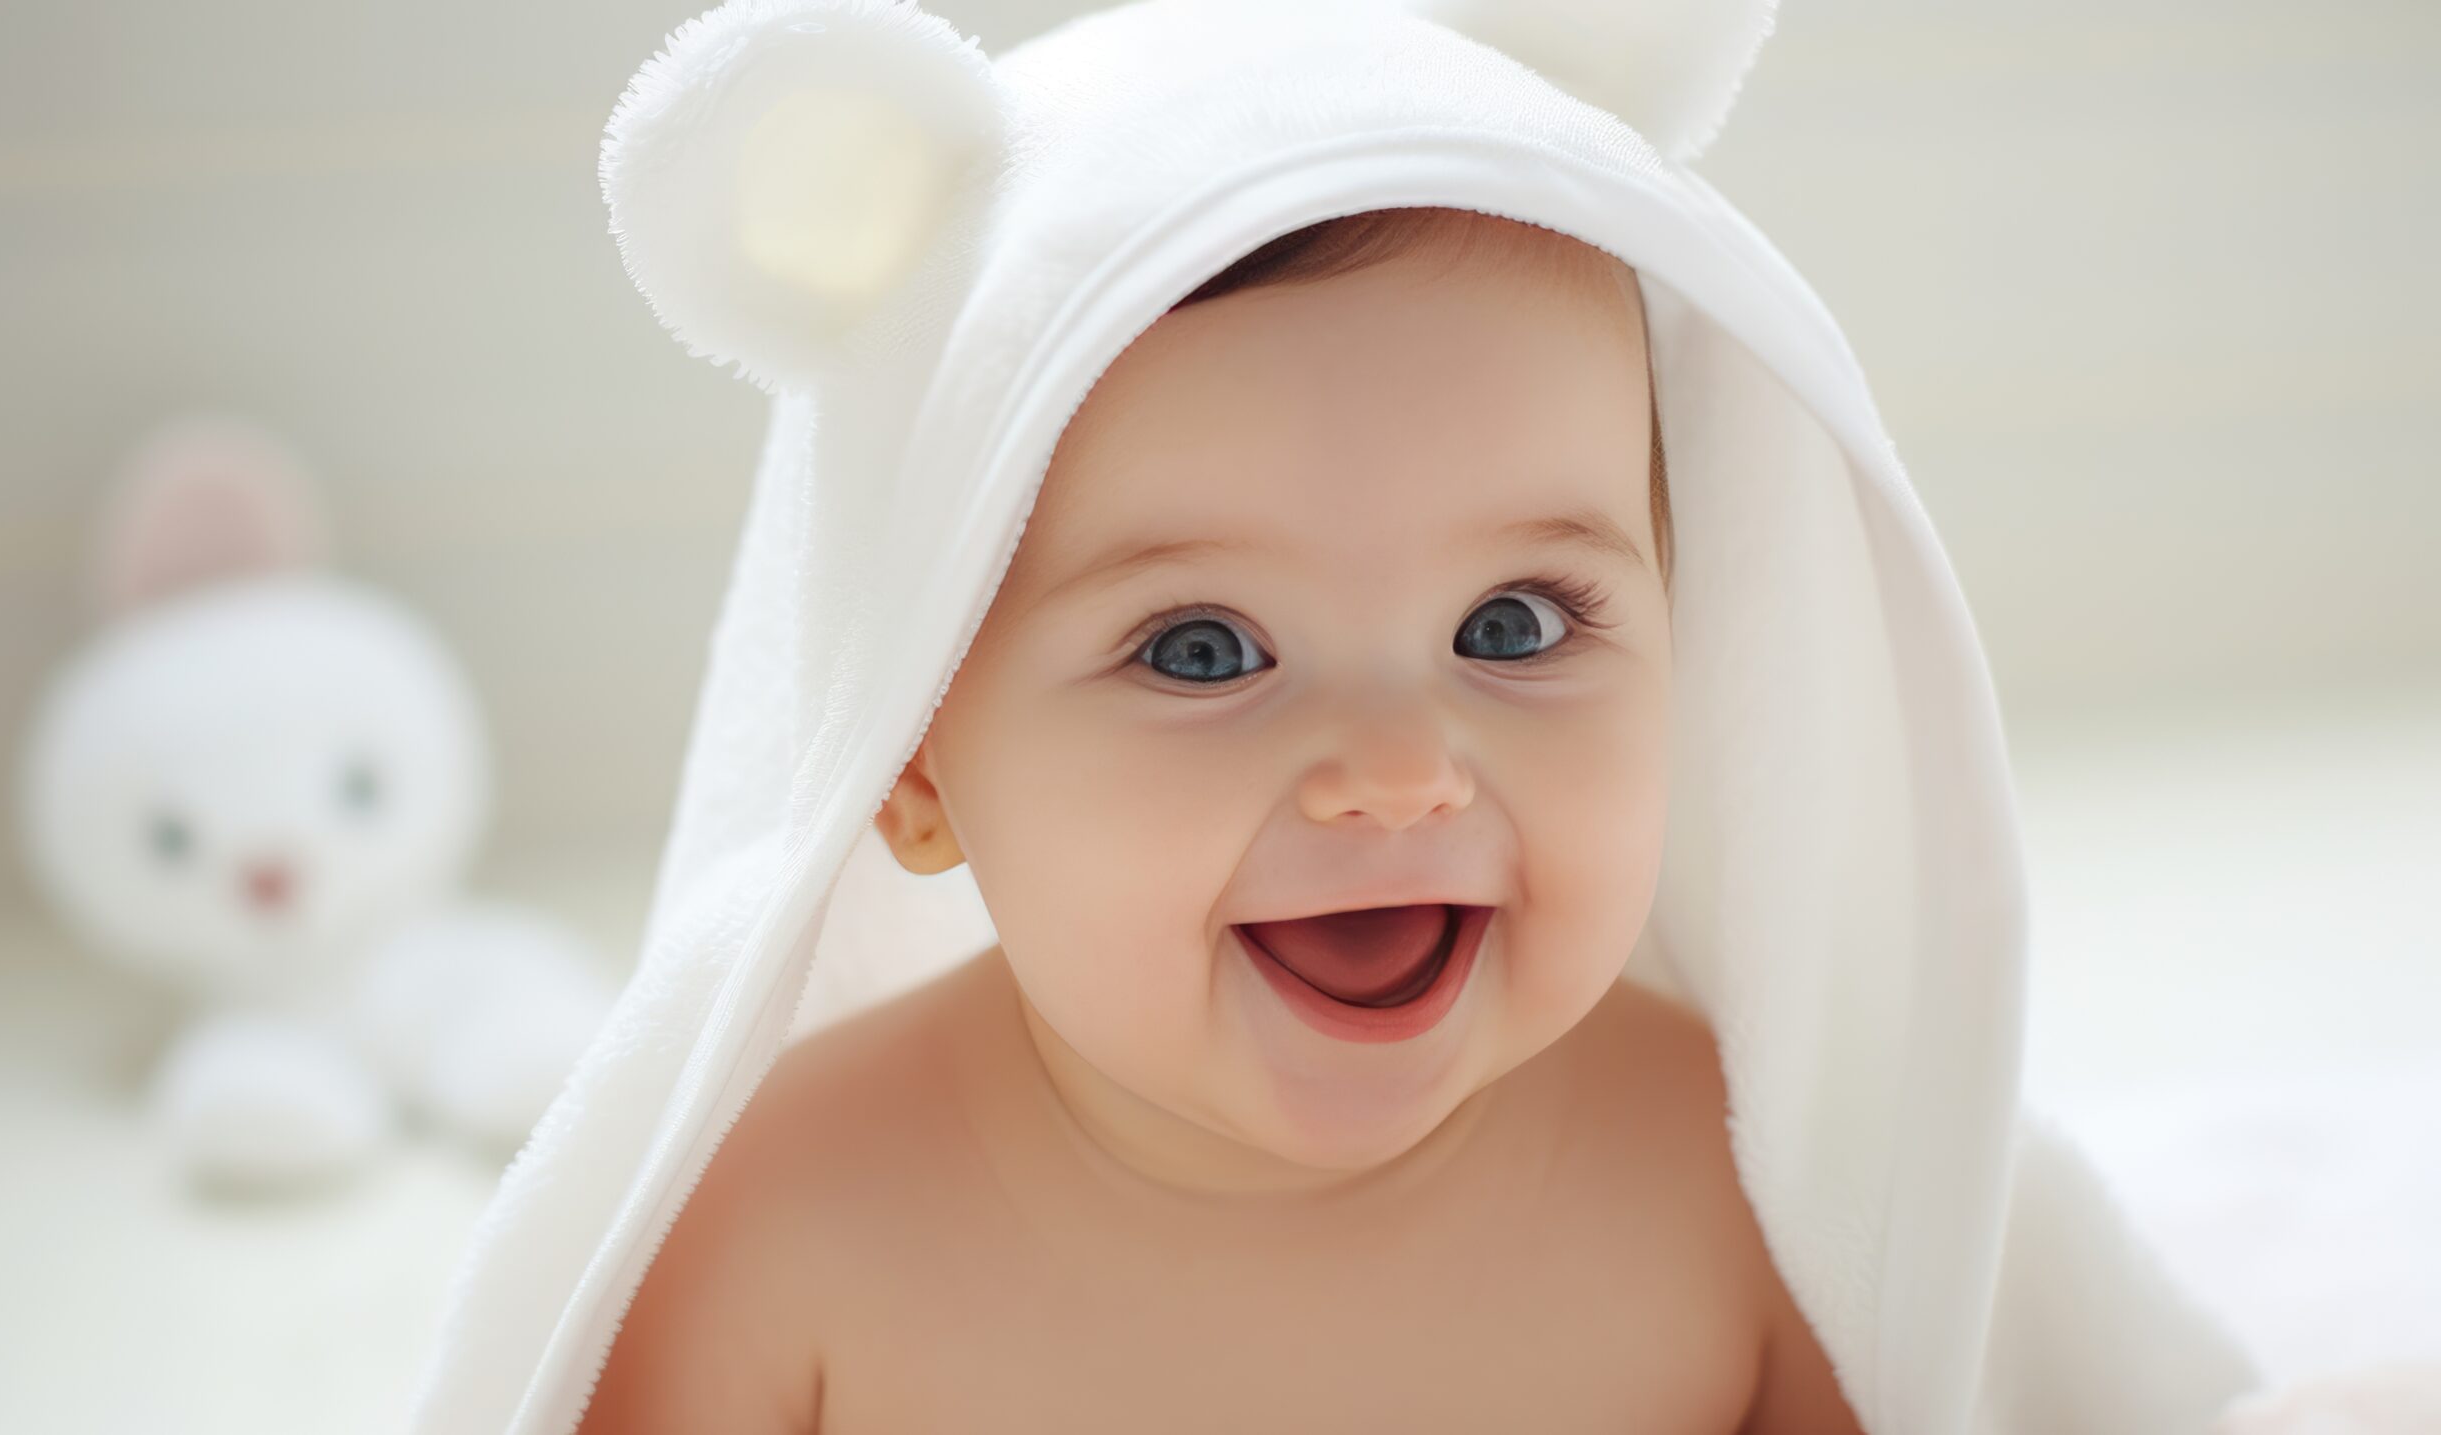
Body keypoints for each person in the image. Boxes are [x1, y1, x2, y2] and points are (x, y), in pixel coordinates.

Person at [408, 4, 2262, 1431]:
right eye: (1205, 650)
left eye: (1515, 623)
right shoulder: (786, 1229)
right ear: (909, 753)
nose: (1396, 771)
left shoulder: (1746, 1183)